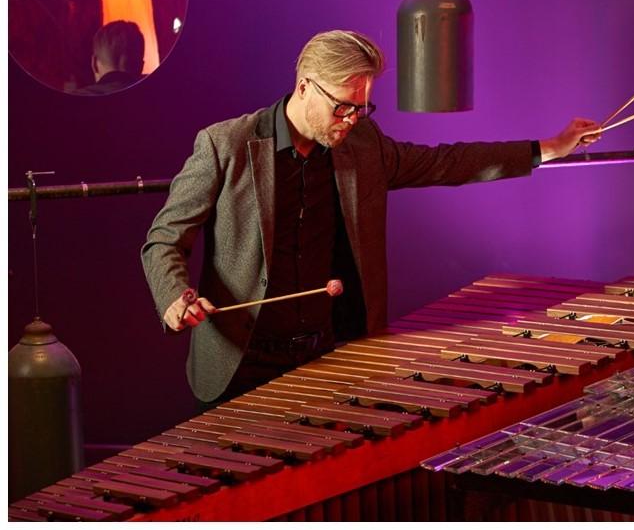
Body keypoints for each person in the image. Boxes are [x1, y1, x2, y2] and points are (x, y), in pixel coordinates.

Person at [141, 30, 602, 404]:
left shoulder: (364, 147)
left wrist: (548, 148)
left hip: (329, 356)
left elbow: (448, 162)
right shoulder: (226, 145)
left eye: (363, 108)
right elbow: (164, 239)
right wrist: (174, 300)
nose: (352, 119)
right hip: (241, 360)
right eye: (343, 106)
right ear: (304, 86)